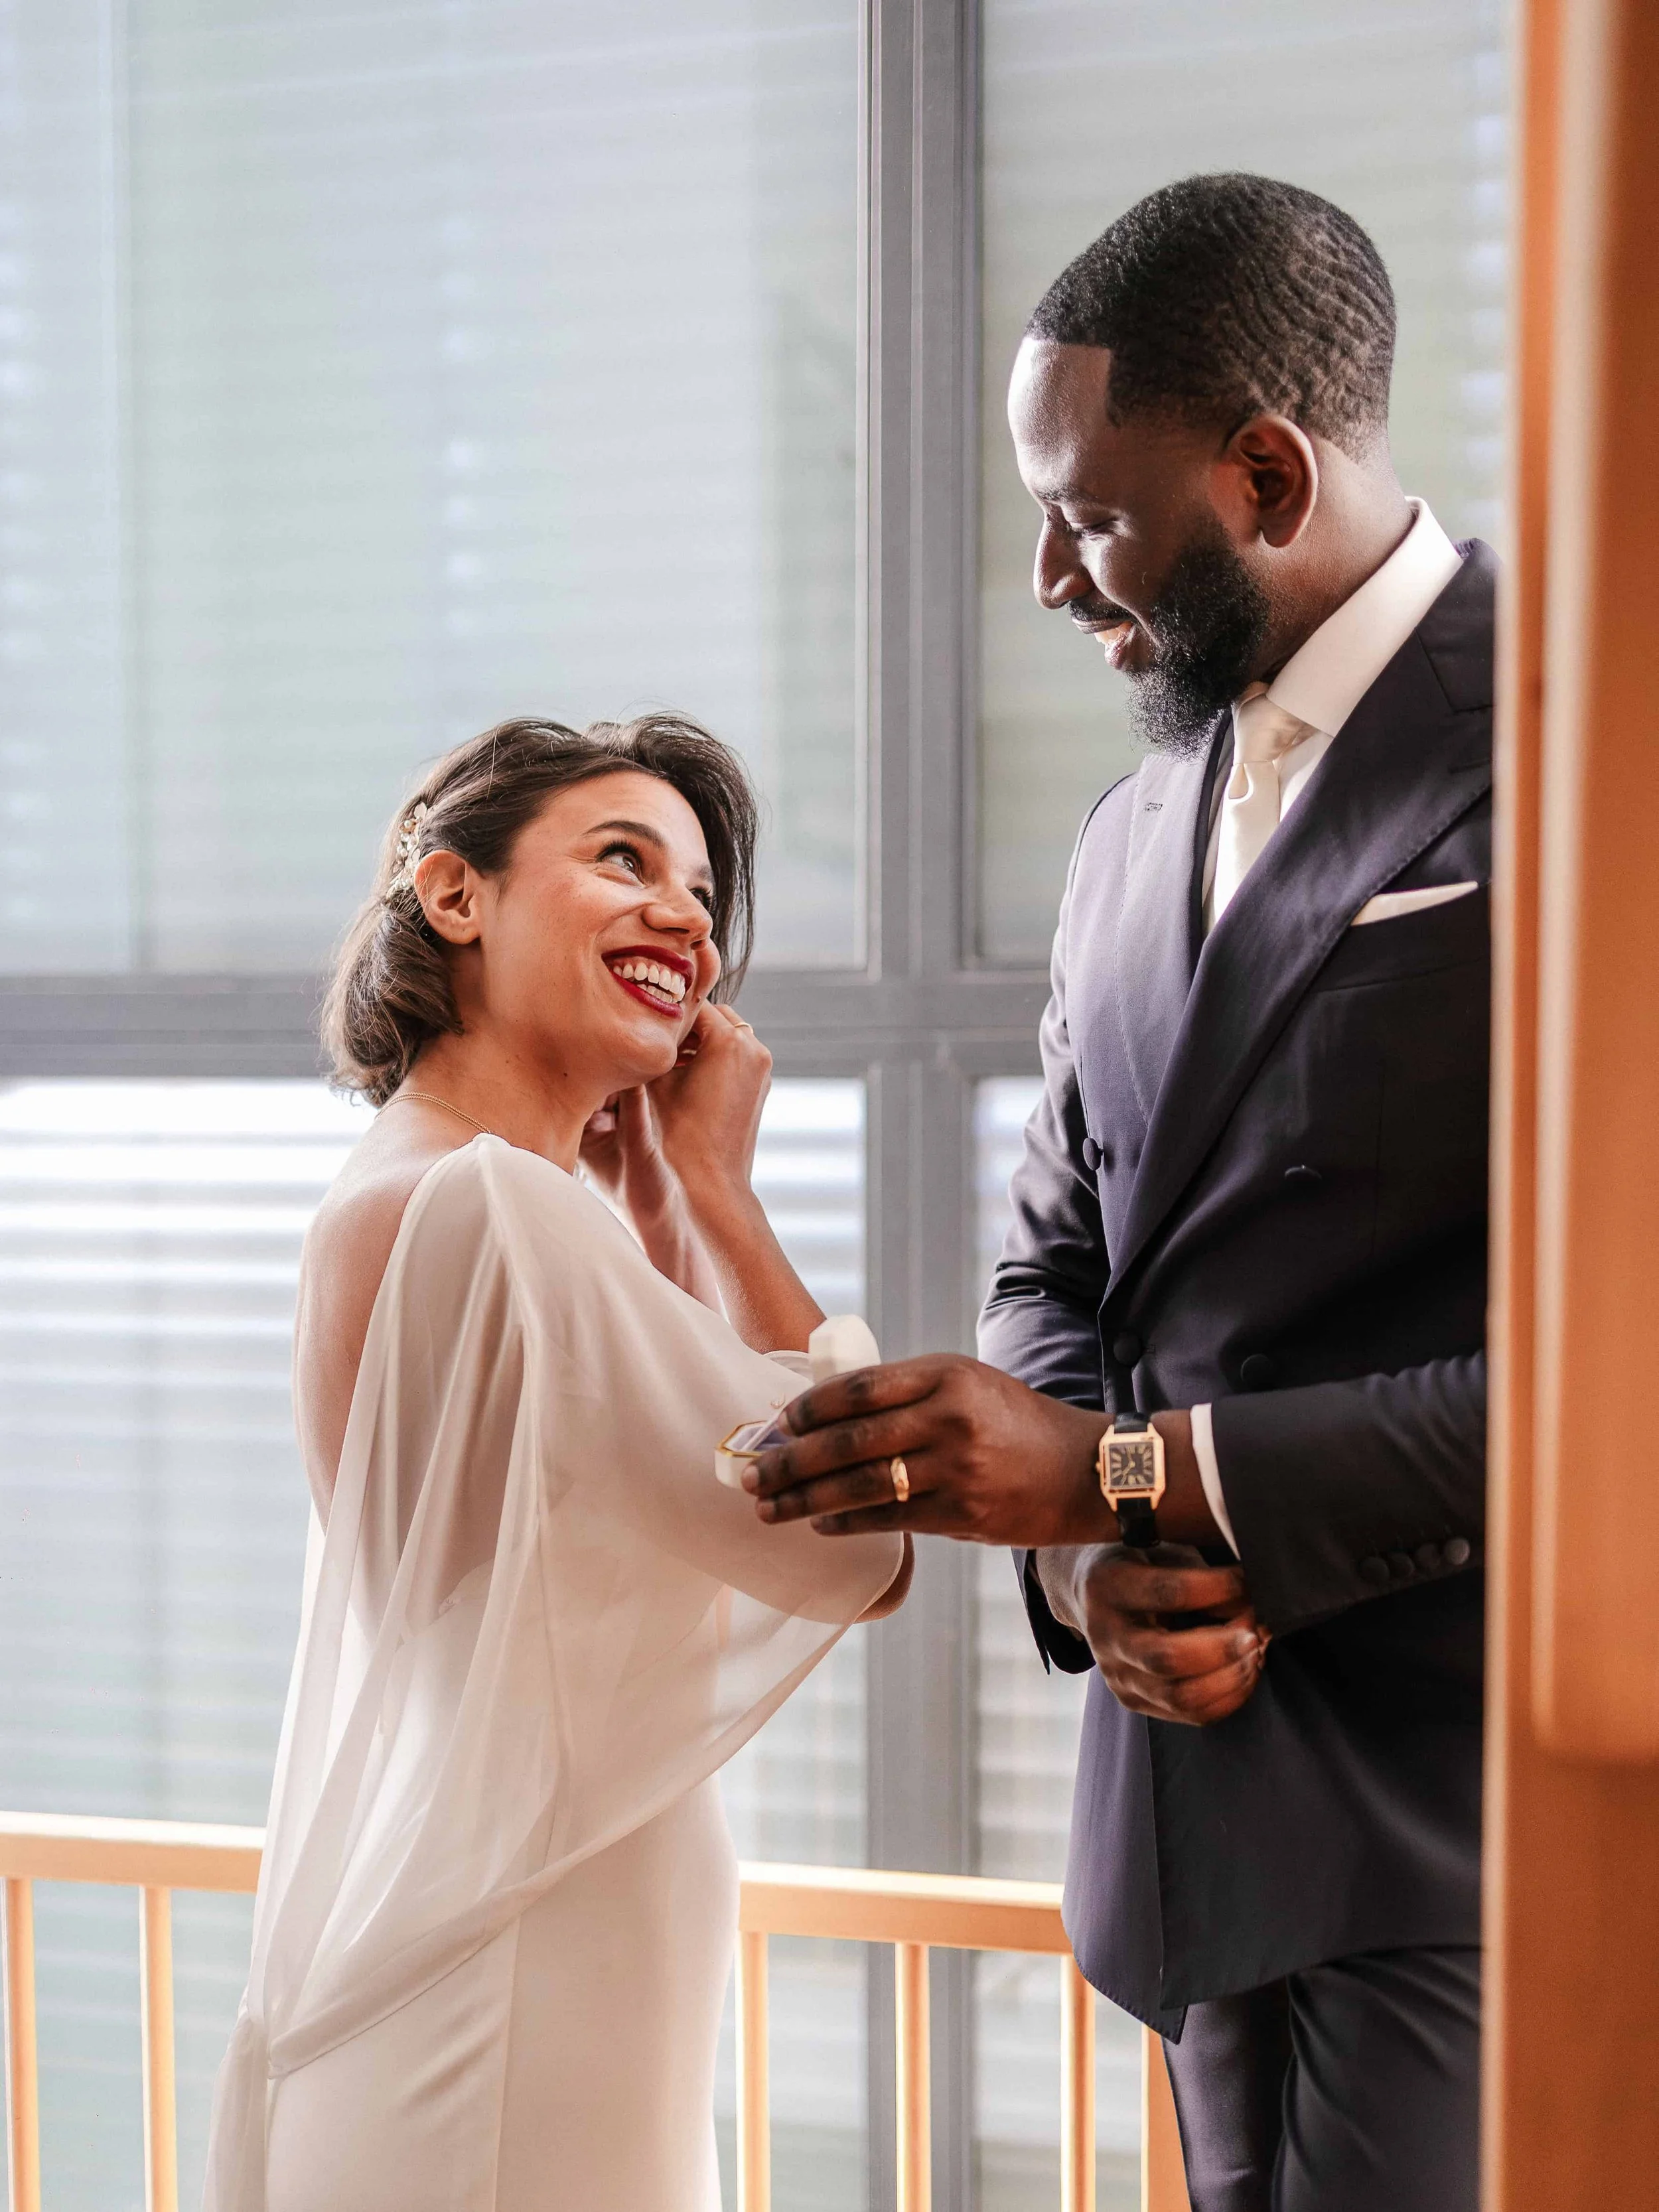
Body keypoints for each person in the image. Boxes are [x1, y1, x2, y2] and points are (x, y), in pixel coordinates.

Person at [744, 174, 1490, 2211]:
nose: (1053, 578)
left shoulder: (1591, 751)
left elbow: (1603, 1386)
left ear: (1263, 470)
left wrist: (1130, 1481)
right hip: (1185, 1814)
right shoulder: (1121, 830)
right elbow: (1053, 1257)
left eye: (1085, 512)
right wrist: (1085, 1570)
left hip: (1478, 1822)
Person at [203, 713, 910, 2212]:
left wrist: (650, 1201)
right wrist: (719, 1187)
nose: (683, 916)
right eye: (622, 858)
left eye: (703, 894)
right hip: (518, 1999)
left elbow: (604, 1525)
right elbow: (859, 1531)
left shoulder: (425, 1188)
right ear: (454, 895)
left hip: (491, 1956)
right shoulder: (498, 1213)